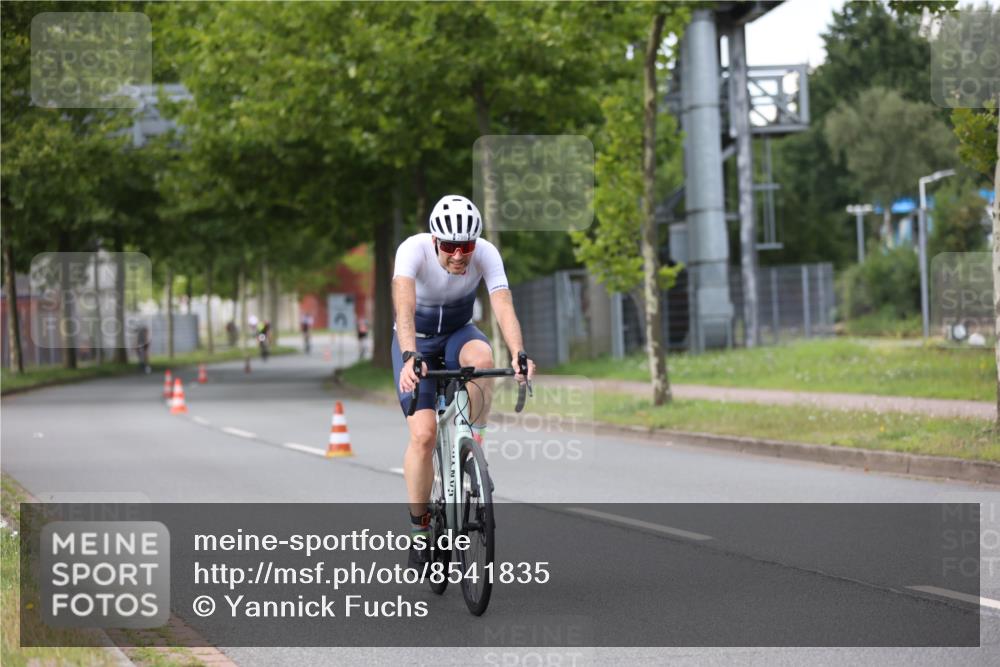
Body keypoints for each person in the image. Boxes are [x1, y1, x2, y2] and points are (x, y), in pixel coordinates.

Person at [392, 194, 535, 568]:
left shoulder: (486, 253)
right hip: (417, 342)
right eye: (451, 246)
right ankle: (420, 528)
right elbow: (404, 309)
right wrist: (410, 357)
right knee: (423, 435)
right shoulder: (412, 251)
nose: (459, 255)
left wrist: (519, 355)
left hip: (458, 333)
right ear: (436, 240)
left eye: (466, 246)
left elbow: (502, 303)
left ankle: (474, 440)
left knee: (484, 360)